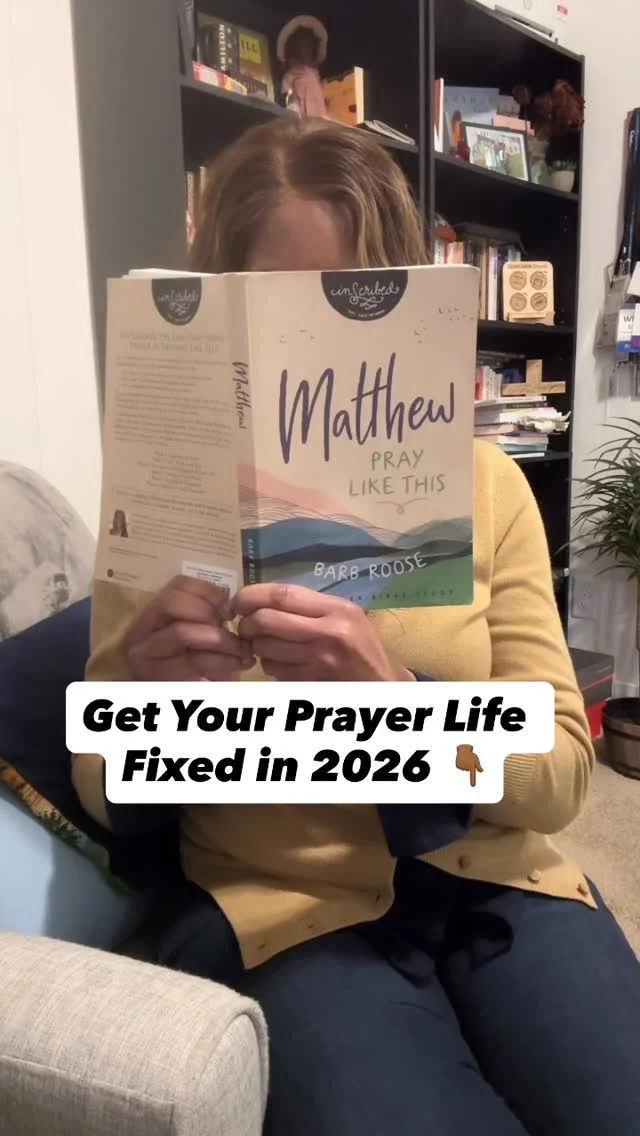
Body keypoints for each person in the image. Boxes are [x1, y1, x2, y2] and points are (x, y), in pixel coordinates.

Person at [73, 117, 640, 1136]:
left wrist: (401, 706)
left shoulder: (488, 483)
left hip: (497, 879)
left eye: (346, 306)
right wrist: (148, 704)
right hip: (285, 912)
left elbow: (560, 772)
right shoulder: (163, 502)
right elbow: (101, 787)